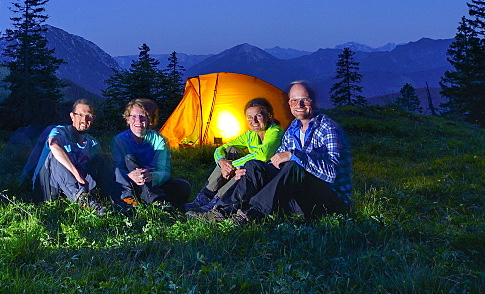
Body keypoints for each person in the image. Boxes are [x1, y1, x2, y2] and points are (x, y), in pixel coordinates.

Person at [220, 81, 352, 223]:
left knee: (293, 166)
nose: (299, 105)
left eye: (304, 100)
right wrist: (247, 171)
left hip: (330, 201)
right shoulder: (293, 129)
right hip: (300, 198)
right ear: (289, 104)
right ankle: (222, 210)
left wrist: (295, 155)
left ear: (312, 101)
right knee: (255, 166)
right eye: (294, 101)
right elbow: (274, 163)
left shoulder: (328, 129)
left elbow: (333, 173)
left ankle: (252, 214)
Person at [183, 97, 284, 213]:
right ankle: (204, 196)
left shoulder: (275, 132)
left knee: (243, 170)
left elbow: (263, 156)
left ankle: (216, 201)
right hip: (253, 170)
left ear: (269, 115)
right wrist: (222, 162)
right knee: (231, 150)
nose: (254, 121)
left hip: (265, 175)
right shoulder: (250, 134)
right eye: (249, 118)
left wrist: (233, 166)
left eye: (258, 116)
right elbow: (222, 148)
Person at [32, 99, 109, 215]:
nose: (84, 120)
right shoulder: (60, 131)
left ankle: (116, 199)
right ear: (72, 116)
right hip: (48, 187)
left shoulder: (92, 143)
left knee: (101, 159)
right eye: (80, 115)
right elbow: (54, 144)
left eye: (88, 116)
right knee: (56, 155)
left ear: (93, 119)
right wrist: (76, 174)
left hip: (77, 187)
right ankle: (83, 200)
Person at [111, 98, 191, 209]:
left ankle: (148, 198)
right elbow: (117, 169)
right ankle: (157, 200)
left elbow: (165, 171)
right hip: (130, 185)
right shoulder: (120, 140)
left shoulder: (159, 140)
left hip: (153, 183)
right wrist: (130, 176)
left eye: (143, 116)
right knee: (130, 158)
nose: (138, 121)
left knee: (183, 187)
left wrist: (151, 176)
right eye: (133, 116)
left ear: (149, 120)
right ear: (127, 119)